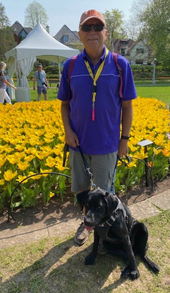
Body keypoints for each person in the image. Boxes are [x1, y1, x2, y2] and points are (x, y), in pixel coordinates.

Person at [57, 9, 136, 246]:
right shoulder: (70, 66)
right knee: (83, 193)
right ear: (80, 34)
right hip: (78, 145)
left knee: (105, 195)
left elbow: (127, 107)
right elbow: (64, 105)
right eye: (87, 28)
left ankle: (105, 236)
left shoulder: (120, 65)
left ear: (106, 33)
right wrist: (67, 132)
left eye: (97, 27)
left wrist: (125, 139)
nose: (92, 32)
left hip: (107, 144)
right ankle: (87, 223)